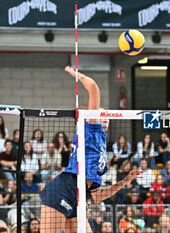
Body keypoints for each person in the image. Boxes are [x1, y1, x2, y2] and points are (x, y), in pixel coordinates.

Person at [40, 66, 143, 233]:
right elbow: (93, 87)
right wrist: (75, 74)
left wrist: (124, 182)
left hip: (78, 197)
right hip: (61, 189)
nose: (105, 118)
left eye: (107, 117)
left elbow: (96, 196)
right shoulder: (91, 129)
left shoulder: (101, 143)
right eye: (100, 115)